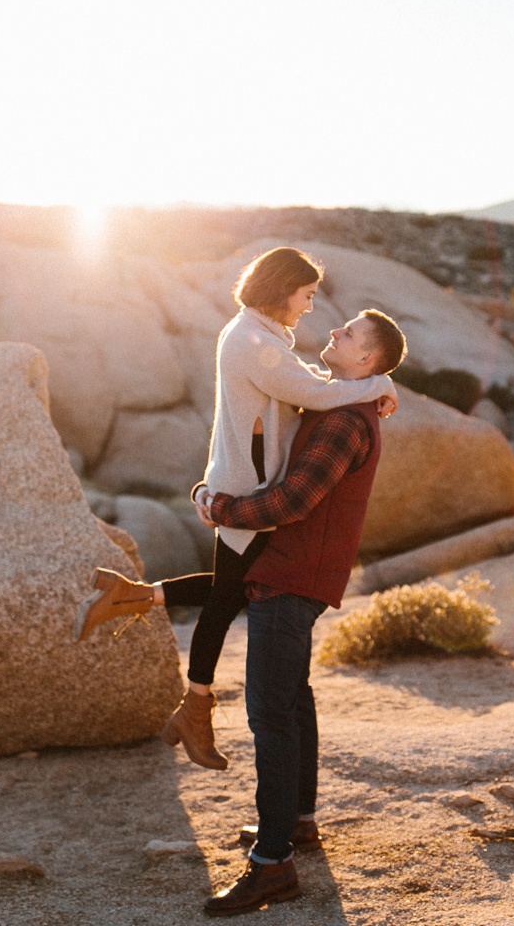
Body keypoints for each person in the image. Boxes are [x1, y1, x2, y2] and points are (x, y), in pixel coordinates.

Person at [79, 247, 397, 771]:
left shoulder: (262, 337)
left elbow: (304, 393)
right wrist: (379, 383)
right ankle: (193, 705)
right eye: (307, 296)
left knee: (229, 590)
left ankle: (137, 602)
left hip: (245, 485)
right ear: (282, 289)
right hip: (249, 494)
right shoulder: (252, 341)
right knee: (228, 596)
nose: (311, 308)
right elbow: (315, 396)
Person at [197, 309, 407, 917]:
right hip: (298, 572)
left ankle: (272, 865)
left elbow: (294, 501)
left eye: (348, 335)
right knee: (295, 700)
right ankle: (298, 824)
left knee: (271, 716)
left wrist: (220, 510)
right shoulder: (341, 400)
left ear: (367, 361)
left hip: (292, 575)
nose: (334, 334)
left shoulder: (345, 420)